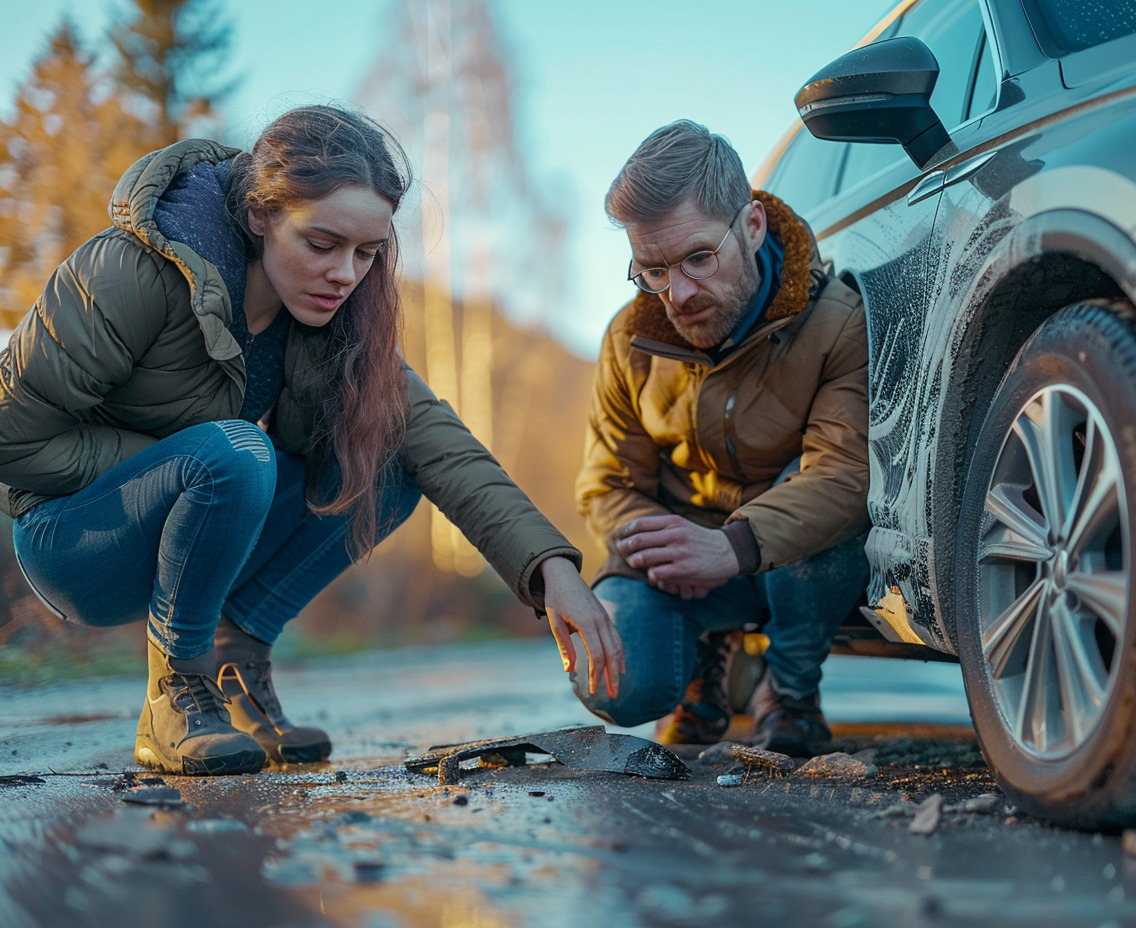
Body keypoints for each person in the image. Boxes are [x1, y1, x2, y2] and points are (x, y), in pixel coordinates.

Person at [0, 104, 623, 777]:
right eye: (322, 245)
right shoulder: (130, 271)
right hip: (75, 536)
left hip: (206, 508)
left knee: (387, 461)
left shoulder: (337, 319)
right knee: (238, 452)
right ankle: (175, 694)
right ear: (261, 214)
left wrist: (551, 570)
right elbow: (12, 435)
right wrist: (173, 469)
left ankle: (237, 662)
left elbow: (442, 444)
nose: (346, 274)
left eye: (367, 253)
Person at [572, 120, 870, 757]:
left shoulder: (837, 324)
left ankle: (787, 690)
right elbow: (606, 484)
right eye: (652, 270)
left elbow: (841, 478)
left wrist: (731, 545)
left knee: (815, 521)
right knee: (617, 688)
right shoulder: (629, 339)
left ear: (753, 227)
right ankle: (701, 662)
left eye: (698, 259)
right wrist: (669, 549)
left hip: (789, 565)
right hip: (685, 563)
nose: (677, 294)